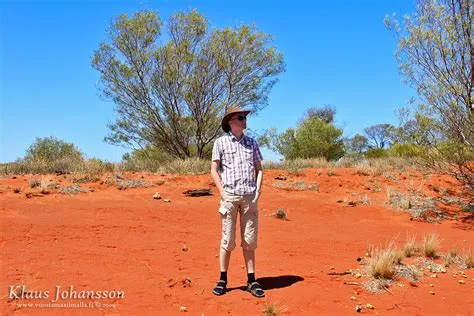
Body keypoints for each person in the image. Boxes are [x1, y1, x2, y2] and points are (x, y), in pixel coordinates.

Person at [210, 106, 265, 298]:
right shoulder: (221, 143)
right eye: (240, 118)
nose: (244, 120)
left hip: (249, 196)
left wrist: (258, 190)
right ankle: (222, 279)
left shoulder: (252, 143)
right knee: (228, 239)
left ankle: (252, 280)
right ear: (230, 122)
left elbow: (260, 169)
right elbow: (214, 170)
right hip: (230, 197)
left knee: (249, 240)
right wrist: (222, 192)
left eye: (244, 118)